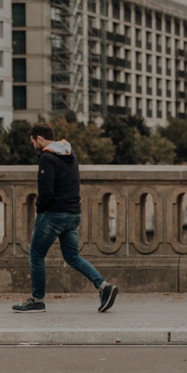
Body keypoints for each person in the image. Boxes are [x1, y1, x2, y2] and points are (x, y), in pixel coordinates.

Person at [12, 124, 118, 314]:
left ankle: (37, 300)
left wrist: (40, 210)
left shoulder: (47, 157)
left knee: (36, 256)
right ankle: (104, 286)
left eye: (33, 141)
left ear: (40, 138)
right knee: (72, 256)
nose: (33, 145)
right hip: (73, 213)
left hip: (54, 214)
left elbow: (46, 192)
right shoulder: (70, 154)